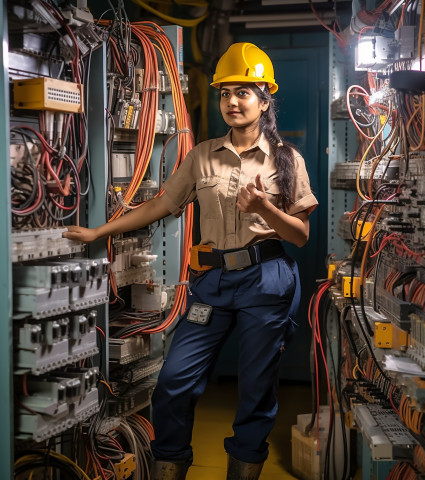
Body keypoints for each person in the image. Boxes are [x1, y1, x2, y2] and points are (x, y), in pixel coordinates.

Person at [64, 42, 318, 480]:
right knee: (174, 380)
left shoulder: (285, 159)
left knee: (256, 390)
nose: (232, 102)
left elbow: (299, 235)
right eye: (225, 93)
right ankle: (170, 467)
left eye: (242, 92)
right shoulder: (202, 154)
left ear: (264, 99)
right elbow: (162, 204)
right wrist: (99, 231)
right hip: (215, 281)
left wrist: (264, 210)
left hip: (268, 279)